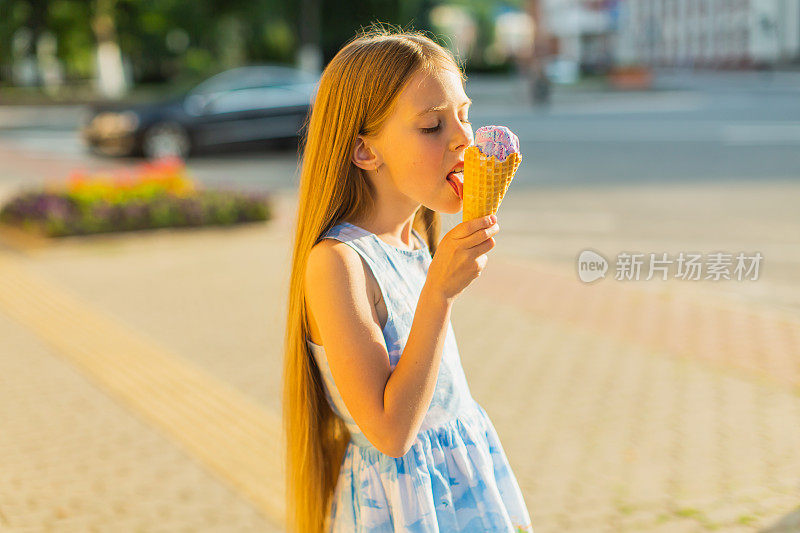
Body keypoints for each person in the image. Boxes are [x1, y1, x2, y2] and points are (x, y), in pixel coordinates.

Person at [282, 23, 534, 533]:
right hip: (399, 507)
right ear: (365, 152)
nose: (464, 138)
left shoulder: (416, 239)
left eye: (463, 115)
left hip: (462, 483)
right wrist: (439, 294)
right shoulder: (339, 263)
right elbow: (391, 433)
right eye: (431, 126)